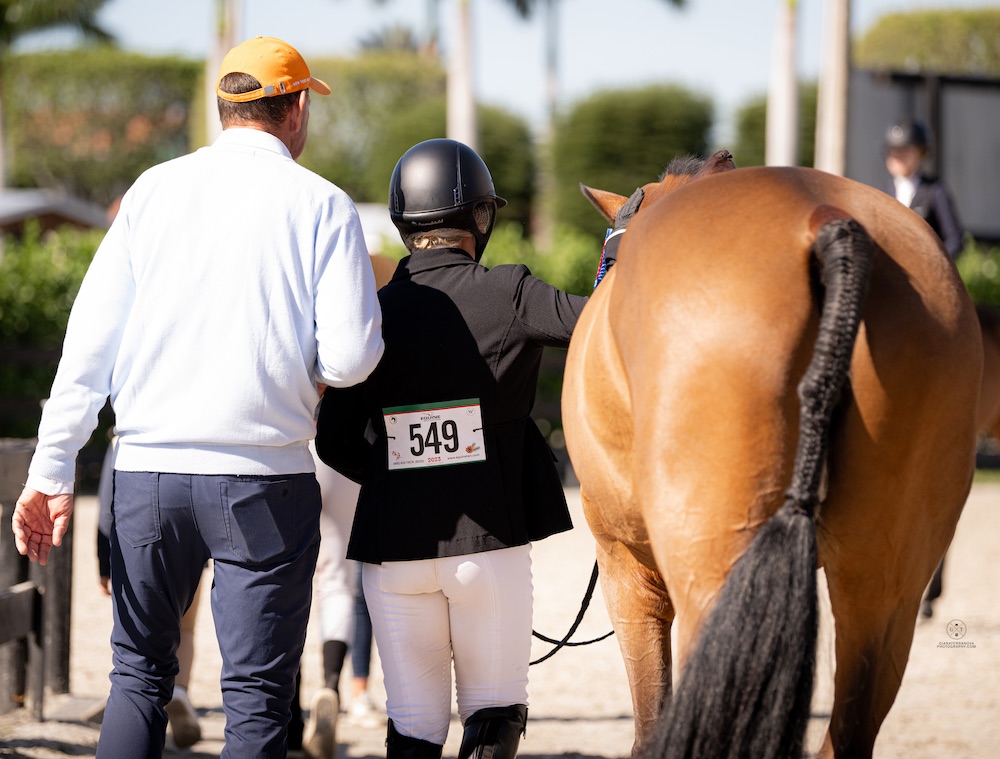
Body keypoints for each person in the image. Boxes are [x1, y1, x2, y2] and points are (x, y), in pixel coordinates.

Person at [11, 34, 384, 758]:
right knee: (256, 695)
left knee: (138, 678)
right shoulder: (324, 204)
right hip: (265, 482)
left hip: (147, 476)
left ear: (222, 109)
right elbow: (351, 355)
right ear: (297, 108)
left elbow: (88, 345)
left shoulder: (152, 190)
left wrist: (51, 470)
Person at [314, 138, 641, 759]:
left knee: (412, 726)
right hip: (489, 552)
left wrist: (396, 476)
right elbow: (600, 317)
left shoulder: (374, 311)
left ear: (403, 220)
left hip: (393, 555)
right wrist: (620, 245)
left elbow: (332, 439)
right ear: (480, 218)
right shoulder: (510, 291)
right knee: (492, 717)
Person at [96, 436, 204, 749]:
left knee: (138, 640)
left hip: (137, 535)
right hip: (195, 521)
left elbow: (107, 502)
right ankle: (180, 691)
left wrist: (104, 561)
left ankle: (133, 704)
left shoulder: (126, 435)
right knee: (187, 629)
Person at [883, 118, 965, 259]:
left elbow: (955, 239)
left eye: (905, 151)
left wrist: (932, 263)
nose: (897, 157)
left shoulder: (935, 190)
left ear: (920, 153)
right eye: (893, 151)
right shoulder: (884, 194)